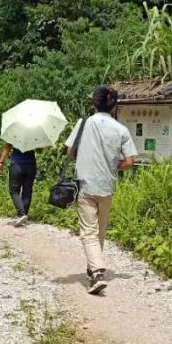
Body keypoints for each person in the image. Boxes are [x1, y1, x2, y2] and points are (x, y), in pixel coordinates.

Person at [64, 85, 137, 295]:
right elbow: (129, 162)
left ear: (94, 103)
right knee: (100, 230)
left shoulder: (83, 124)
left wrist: (84, 158)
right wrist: (112, 165)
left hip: (85, 184)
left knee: (89, 231)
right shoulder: (121, 130)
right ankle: (93, 267)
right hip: (106, 186)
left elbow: (70, 151)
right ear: (114, 106)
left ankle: (97, 273)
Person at [0, 144, 37, 227]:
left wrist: (1, 162)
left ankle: (21, 214)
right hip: (31, 165)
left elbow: (7, 147)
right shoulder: (35, 136)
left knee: (14, 191)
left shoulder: (15, 135)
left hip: (17, 164)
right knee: (27, 191)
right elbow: (40, 150)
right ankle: (23, 215)